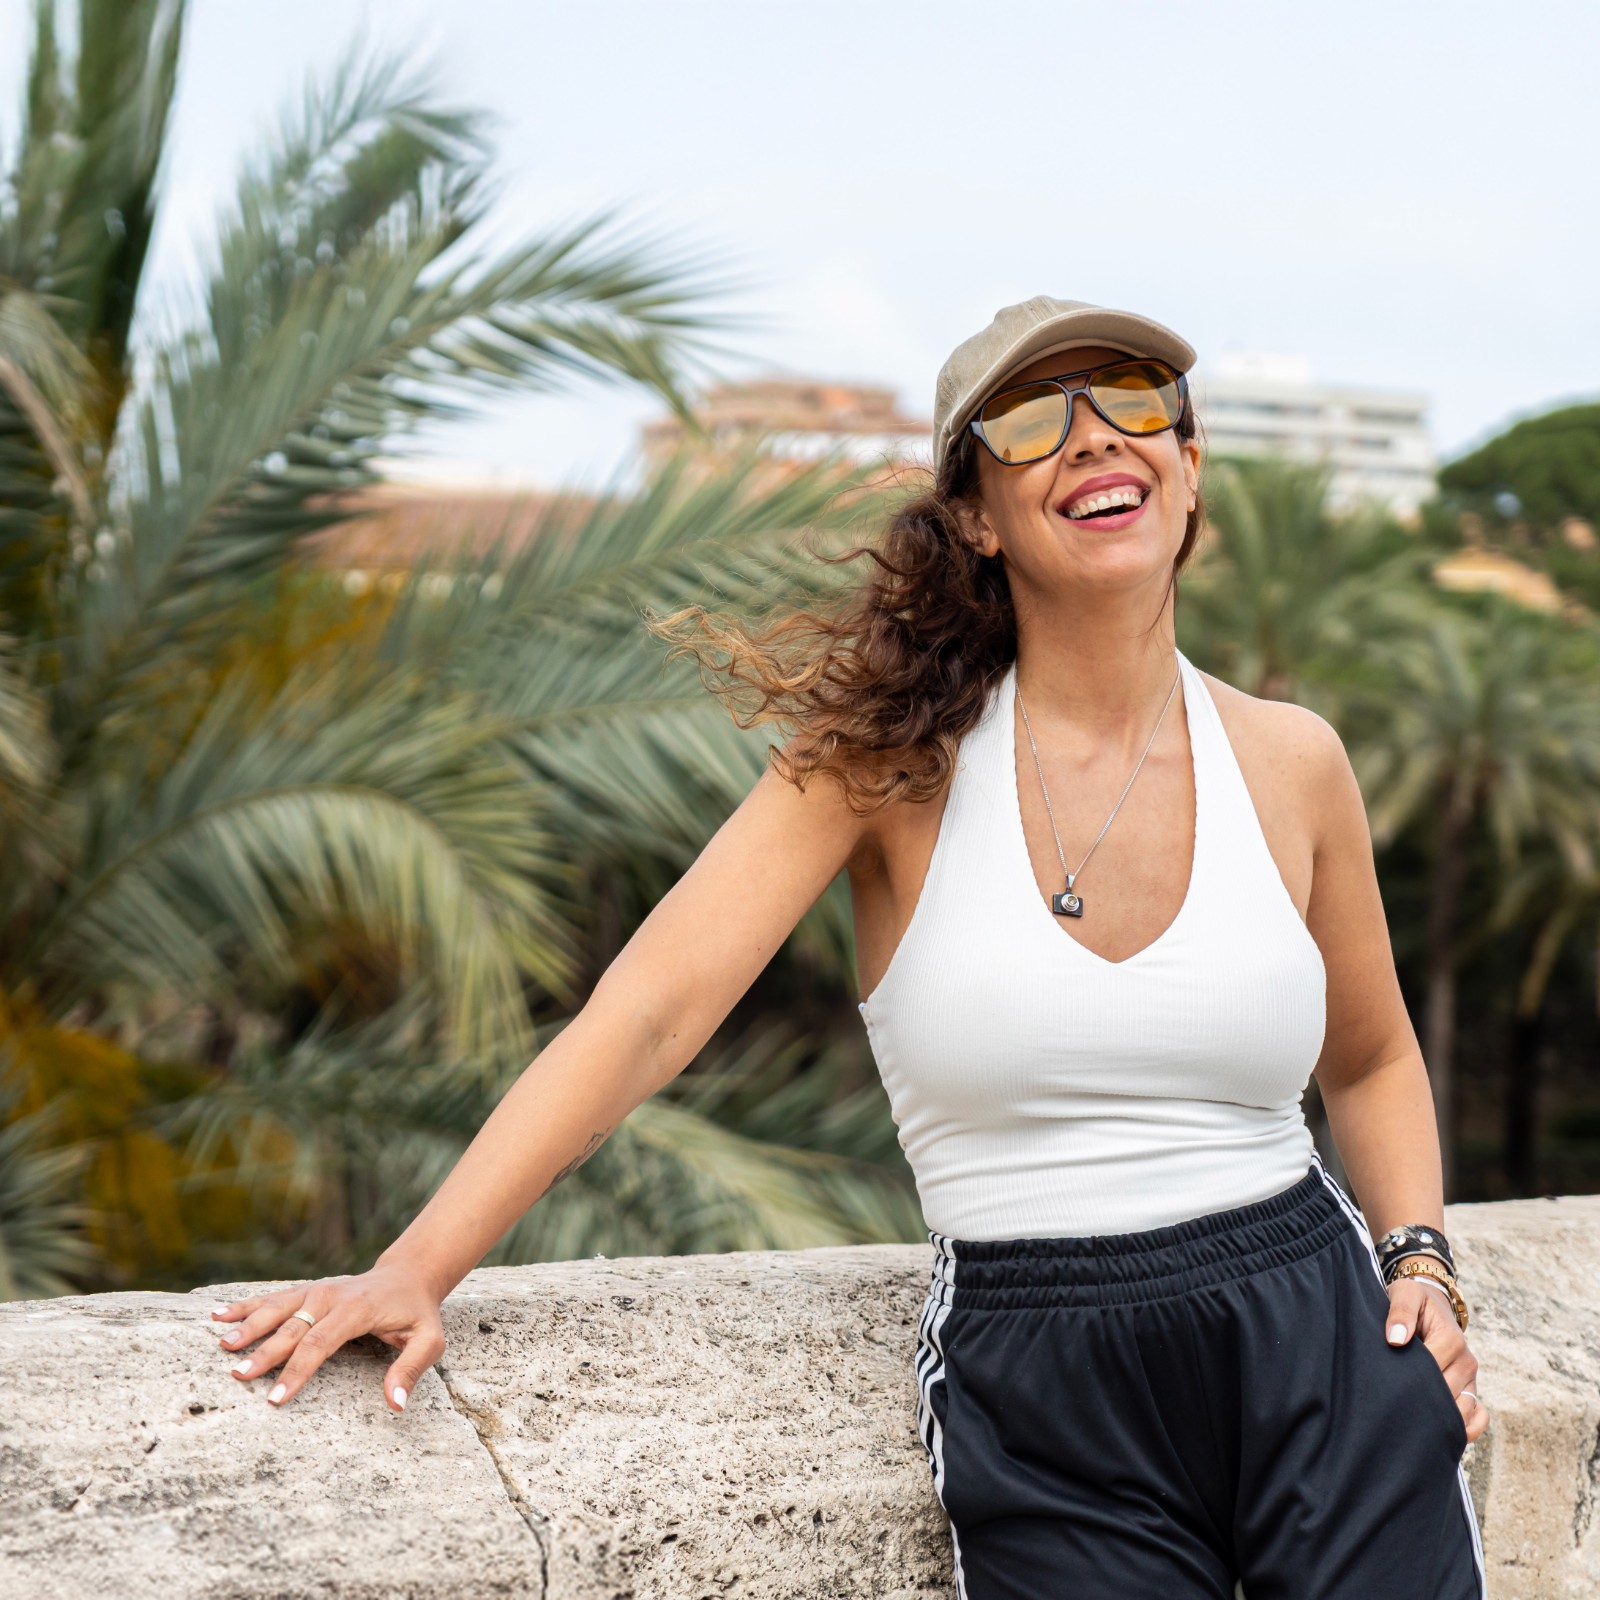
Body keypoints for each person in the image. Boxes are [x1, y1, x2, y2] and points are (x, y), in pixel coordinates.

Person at [209, 295, 1488, 1599]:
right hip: (1043, 1376)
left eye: (1133, 397)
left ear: (1190, 461)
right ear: (976, 517)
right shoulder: (879, 771)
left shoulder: (1292, 760)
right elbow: (647, 1015)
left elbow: (1373, 1060)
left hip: (1320, 1328)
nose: (1097, 435)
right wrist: (416, 1266)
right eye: (1035, 418)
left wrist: (1420, 1259)